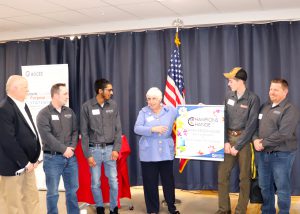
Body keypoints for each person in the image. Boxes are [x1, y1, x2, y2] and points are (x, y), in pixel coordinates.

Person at [216, 67, 260, 214]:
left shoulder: (253, 98)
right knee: (222, 176)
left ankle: (241, 210)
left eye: (231, 81)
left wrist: (238, 145)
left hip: (245, 142)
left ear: (240, 81)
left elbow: (252, 125)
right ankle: (224, 209)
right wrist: (226, 142)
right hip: (229, 139)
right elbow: (223, 119)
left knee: (244, 178)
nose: (229, 84)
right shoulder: (228, 96)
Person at [253, 79, 299, 213]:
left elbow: (283, 134)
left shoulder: (291, 109)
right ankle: (267, 211)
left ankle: (284, 212)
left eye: (276, 89)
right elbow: (254, 127)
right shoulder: (264, 106)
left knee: (282, 187)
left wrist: (263, 143)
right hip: (262, 155)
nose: (271, 92)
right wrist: (255, 139)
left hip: (282, 155)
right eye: (270, 89)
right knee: (264, 186)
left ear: (285, 92)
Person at [134, 87, 180, 214]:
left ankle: (172, 207)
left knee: (168, 182)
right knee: (150, 183)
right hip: (148, 153)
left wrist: (199, 107)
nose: (150, 101)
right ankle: (152, 209)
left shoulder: (170, 110)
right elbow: (137, 129)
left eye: (154, 98)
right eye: (148, 99)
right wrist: (152, 129)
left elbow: (186, 113)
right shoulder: (143, 112)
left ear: (160, 99)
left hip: (166, 152)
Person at [0, 75, 41, 214]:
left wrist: (34, 159)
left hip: (29, 164)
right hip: (13, 166)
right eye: (25, 87)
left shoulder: (23, 105)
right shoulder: (4, 108)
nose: (28, 89)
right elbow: (8, 140)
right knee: (13, 204)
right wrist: (25, 162)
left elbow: (30, 132)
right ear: (14, 88)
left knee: (31, 198)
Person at [36, 83, 79, 214]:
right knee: (53, 193)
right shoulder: (43, 114)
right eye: (65, 94)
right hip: (52, 159)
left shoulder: (69, 112)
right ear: (55, 95)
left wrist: (71, 147)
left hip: (70, 158)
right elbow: (47, 137)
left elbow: (75, 131)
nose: (67, 96)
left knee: (72, 191)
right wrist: (64, 149)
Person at [81, 78, 121, 214]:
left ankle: (114, 207)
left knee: (113, 182)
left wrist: (116, 149)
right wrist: (88, 155)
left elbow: (118, 130)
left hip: (110, 150)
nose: (111, 92)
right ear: (100, 91)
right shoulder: (86, 107)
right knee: (95, 183)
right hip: (94, 150)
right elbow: (84, 133)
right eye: (109, 90)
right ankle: (99, 206)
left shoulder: (113, 105)